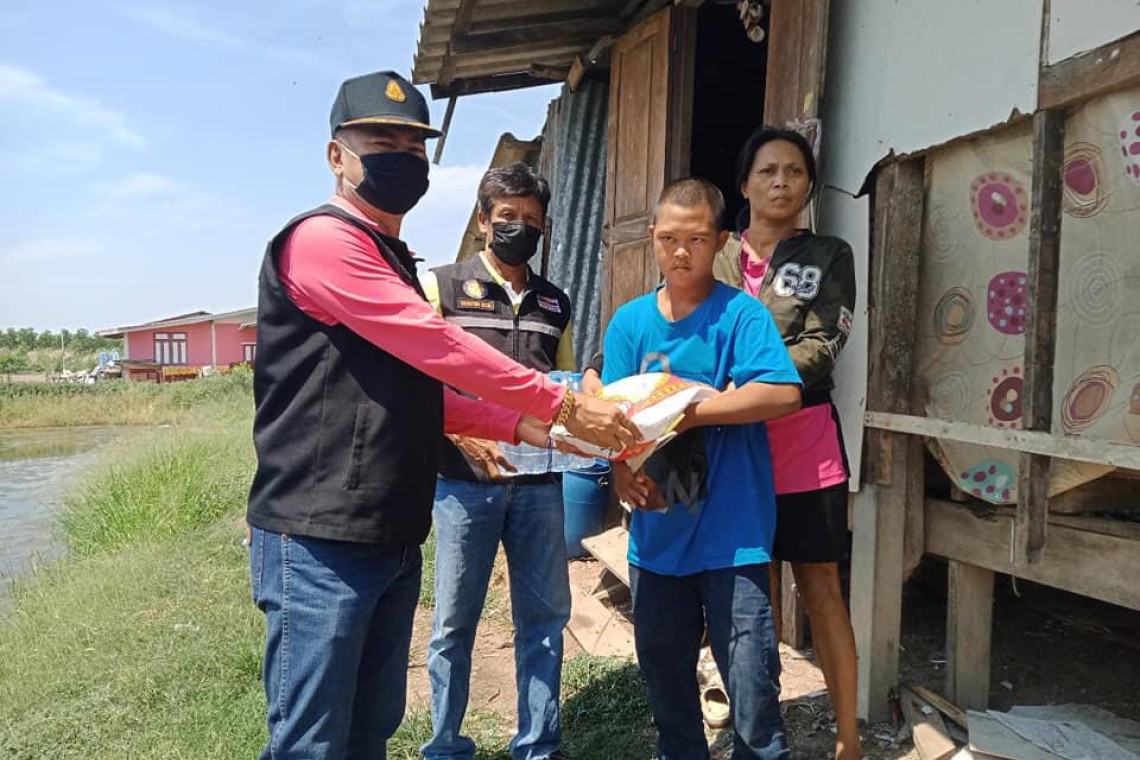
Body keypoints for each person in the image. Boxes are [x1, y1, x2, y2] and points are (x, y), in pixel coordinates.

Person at [245, 71, 639, 760]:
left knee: (368, 730)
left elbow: (415, 389)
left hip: (390, 530)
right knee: (311, 741)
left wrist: (523, 427)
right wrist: (563, 403)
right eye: (382, 142)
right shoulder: (323, 241)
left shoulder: (393, 258)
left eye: (414, 145)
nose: (402, 156)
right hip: (319, 535)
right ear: (337, 155)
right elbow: (438, 347)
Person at [604, 178, 802, 760]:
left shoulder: (741, 316)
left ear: (720, 241)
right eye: (668, 238)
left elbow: (782, 393)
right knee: (668, 690)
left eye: (695, 239)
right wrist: (618, 470)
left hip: (732, 539)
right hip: (656, 542)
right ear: (651, 238)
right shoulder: (630, 324)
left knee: (752, 689)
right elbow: (612, 416)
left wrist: (687, 410)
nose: (680, 252)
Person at [419, 162, 575, 760]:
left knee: (544, 622)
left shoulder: (555, 302)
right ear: (484, 220)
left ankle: (538, 745)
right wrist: (457, 436)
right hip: (465, 482)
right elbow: (418, 377)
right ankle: (446, 746)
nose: (519, 228)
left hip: (539, 484)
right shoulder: (441, 287)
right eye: (508, 216)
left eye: (531, 219)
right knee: (453, 624)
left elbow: (562, 386)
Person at [721, 126, 861, 760]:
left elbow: (822, 343)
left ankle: (849, 738)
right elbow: (676, 321)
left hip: (805, 446)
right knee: (748, 596)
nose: (781, 181)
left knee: (822, 588)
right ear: (745, 183)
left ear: (809, 187)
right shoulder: (715, 254)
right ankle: (756, 731)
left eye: (795, 172)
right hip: (732, 449)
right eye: (768, 170)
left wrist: (744, 381)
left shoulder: (828, 254)